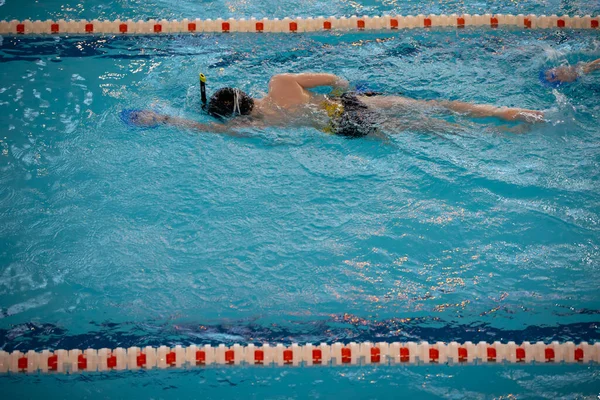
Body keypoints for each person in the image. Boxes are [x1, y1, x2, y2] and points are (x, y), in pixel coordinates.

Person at [124, 73, 545, 137]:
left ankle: (500, 132)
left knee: (428, 131)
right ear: (243, 92)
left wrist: (160, 118)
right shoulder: (281, 82)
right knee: (436, 103)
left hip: (340, 126)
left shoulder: (255, 127)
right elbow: (337, 79)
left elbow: (208, 132)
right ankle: (509, 112)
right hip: (349, 101)